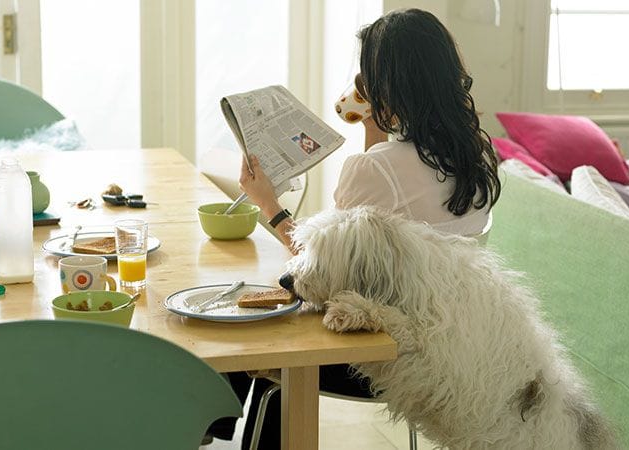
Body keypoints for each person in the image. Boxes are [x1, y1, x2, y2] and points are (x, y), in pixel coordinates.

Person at [210, 8, 502, 448]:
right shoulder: (477, 158)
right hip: (455, 347)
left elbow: (320, 266)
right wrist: (376, 127)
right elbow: (377, 232)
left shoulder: (374, 170)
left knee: (256, 315)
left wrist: (268, 204)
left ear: (387, 87)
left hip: (379, 351)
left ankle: (207, 425)